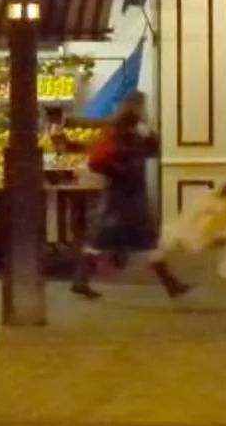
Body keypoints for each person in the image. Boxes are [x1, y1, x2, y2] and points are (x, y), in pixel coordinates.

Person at [70, 92, 188, 301]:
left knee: (101, 238)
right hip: (129, 195)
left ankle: (81, 280)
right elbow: (150, 151)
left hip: (117, 194)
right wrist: (149, 131)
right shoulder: (131, 134)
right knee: (146, 239)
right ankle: (171, 283)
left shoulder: (117, 132)